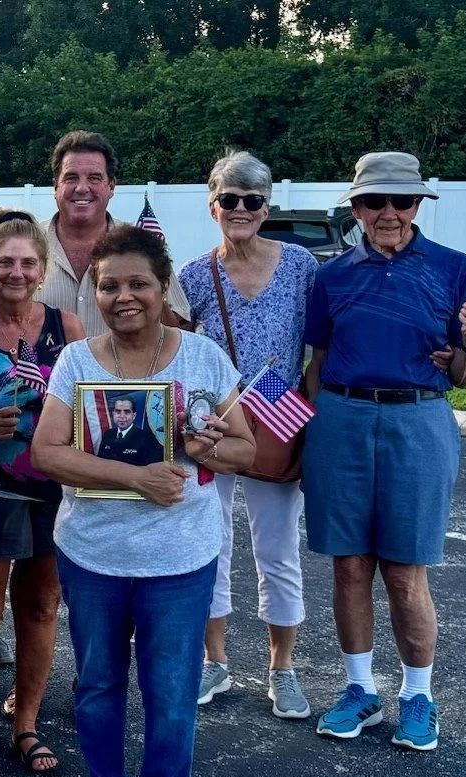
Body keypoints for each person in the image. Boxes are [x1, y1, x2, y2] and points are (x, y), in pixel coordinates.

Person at [31, 226, 256, 777]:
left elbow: (248, 449)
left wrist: (212, 444)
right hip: (93, 556)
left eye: (137, 284)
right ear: (95, 291)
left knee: (170, 692)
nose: (123, 296)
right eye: (109, 285)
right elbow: (48, 452)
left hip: (179, 561)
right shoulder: (78, 363)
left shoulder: (203, 358)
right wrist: (137, 476)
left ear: (163, 290)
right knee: (98, 684)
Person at [302, 152, 466, 752]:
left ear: (417, 206)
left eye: (401, 201)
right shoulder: (330, 275)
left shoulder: (455, 268)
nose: (388, 213)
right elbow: (318, 360)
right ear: (355, 208)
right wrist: (313, 430)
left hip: (420, 418)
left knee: (407, 573)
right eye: (374, 202)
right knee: (349, 564)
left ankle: (418, 696)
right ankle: (359, 690)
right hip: (342, 415)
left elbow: (465, 375)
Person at [178, 150, 318, 719]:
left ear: (266, 208)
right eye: (229, 199)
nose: (240, 209)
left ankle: (281, 668)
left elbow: (321, 345)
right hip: (216, 423)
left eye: (252, 201)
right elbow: (184, 353)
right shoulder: (193, 275)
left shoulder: (302, 265)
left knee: (278, 549)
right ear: (213, 206)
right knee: (210, 545)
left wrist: (306, 406)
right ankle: (215, 660)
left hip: (281, 417)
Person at [0, 208, 84, 777]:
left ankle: (25, 721)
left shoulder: (68, 329)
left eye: (29, 262)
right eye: (5, 261)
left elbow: (89, 410)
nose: (17, 272)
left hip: (55, 488)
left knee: (41, 607)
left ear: (42, 268)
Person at [34, 131, 191, 333]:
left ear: (111, 186)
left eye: (94, 178)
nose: (82, 188)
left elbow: (179, 325)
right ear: (55, 186)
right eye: (71, 178)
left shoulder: (142, 245)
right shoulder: (28, 244)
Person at [94, 394, 164, 464]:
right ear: (113, 414)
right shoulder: (108, 434)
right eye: (118, 411)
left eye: (127, 412)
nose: (122, 416)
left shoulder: (147, 438)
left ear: (134, 416)